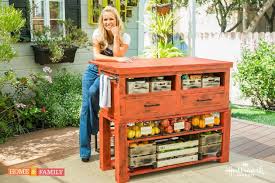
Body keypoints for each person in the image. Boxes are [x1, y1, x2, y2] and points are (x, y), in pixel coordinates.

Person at [79, 6, 131, 162]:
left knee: (93, 92)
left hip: (108, 73)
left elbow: (117, 53)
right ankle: (85, 150)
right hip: (93, 70)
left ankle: (95, 124)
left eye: (111, 19)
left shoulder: (125, 37)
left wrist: (116, 37)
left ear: (116, 20)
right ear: (102, 21)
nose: (108, 22)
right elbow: (96, 56)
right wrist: (117, 60)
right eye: (105, 19)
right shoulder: (97, 34)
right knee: (85, 109)